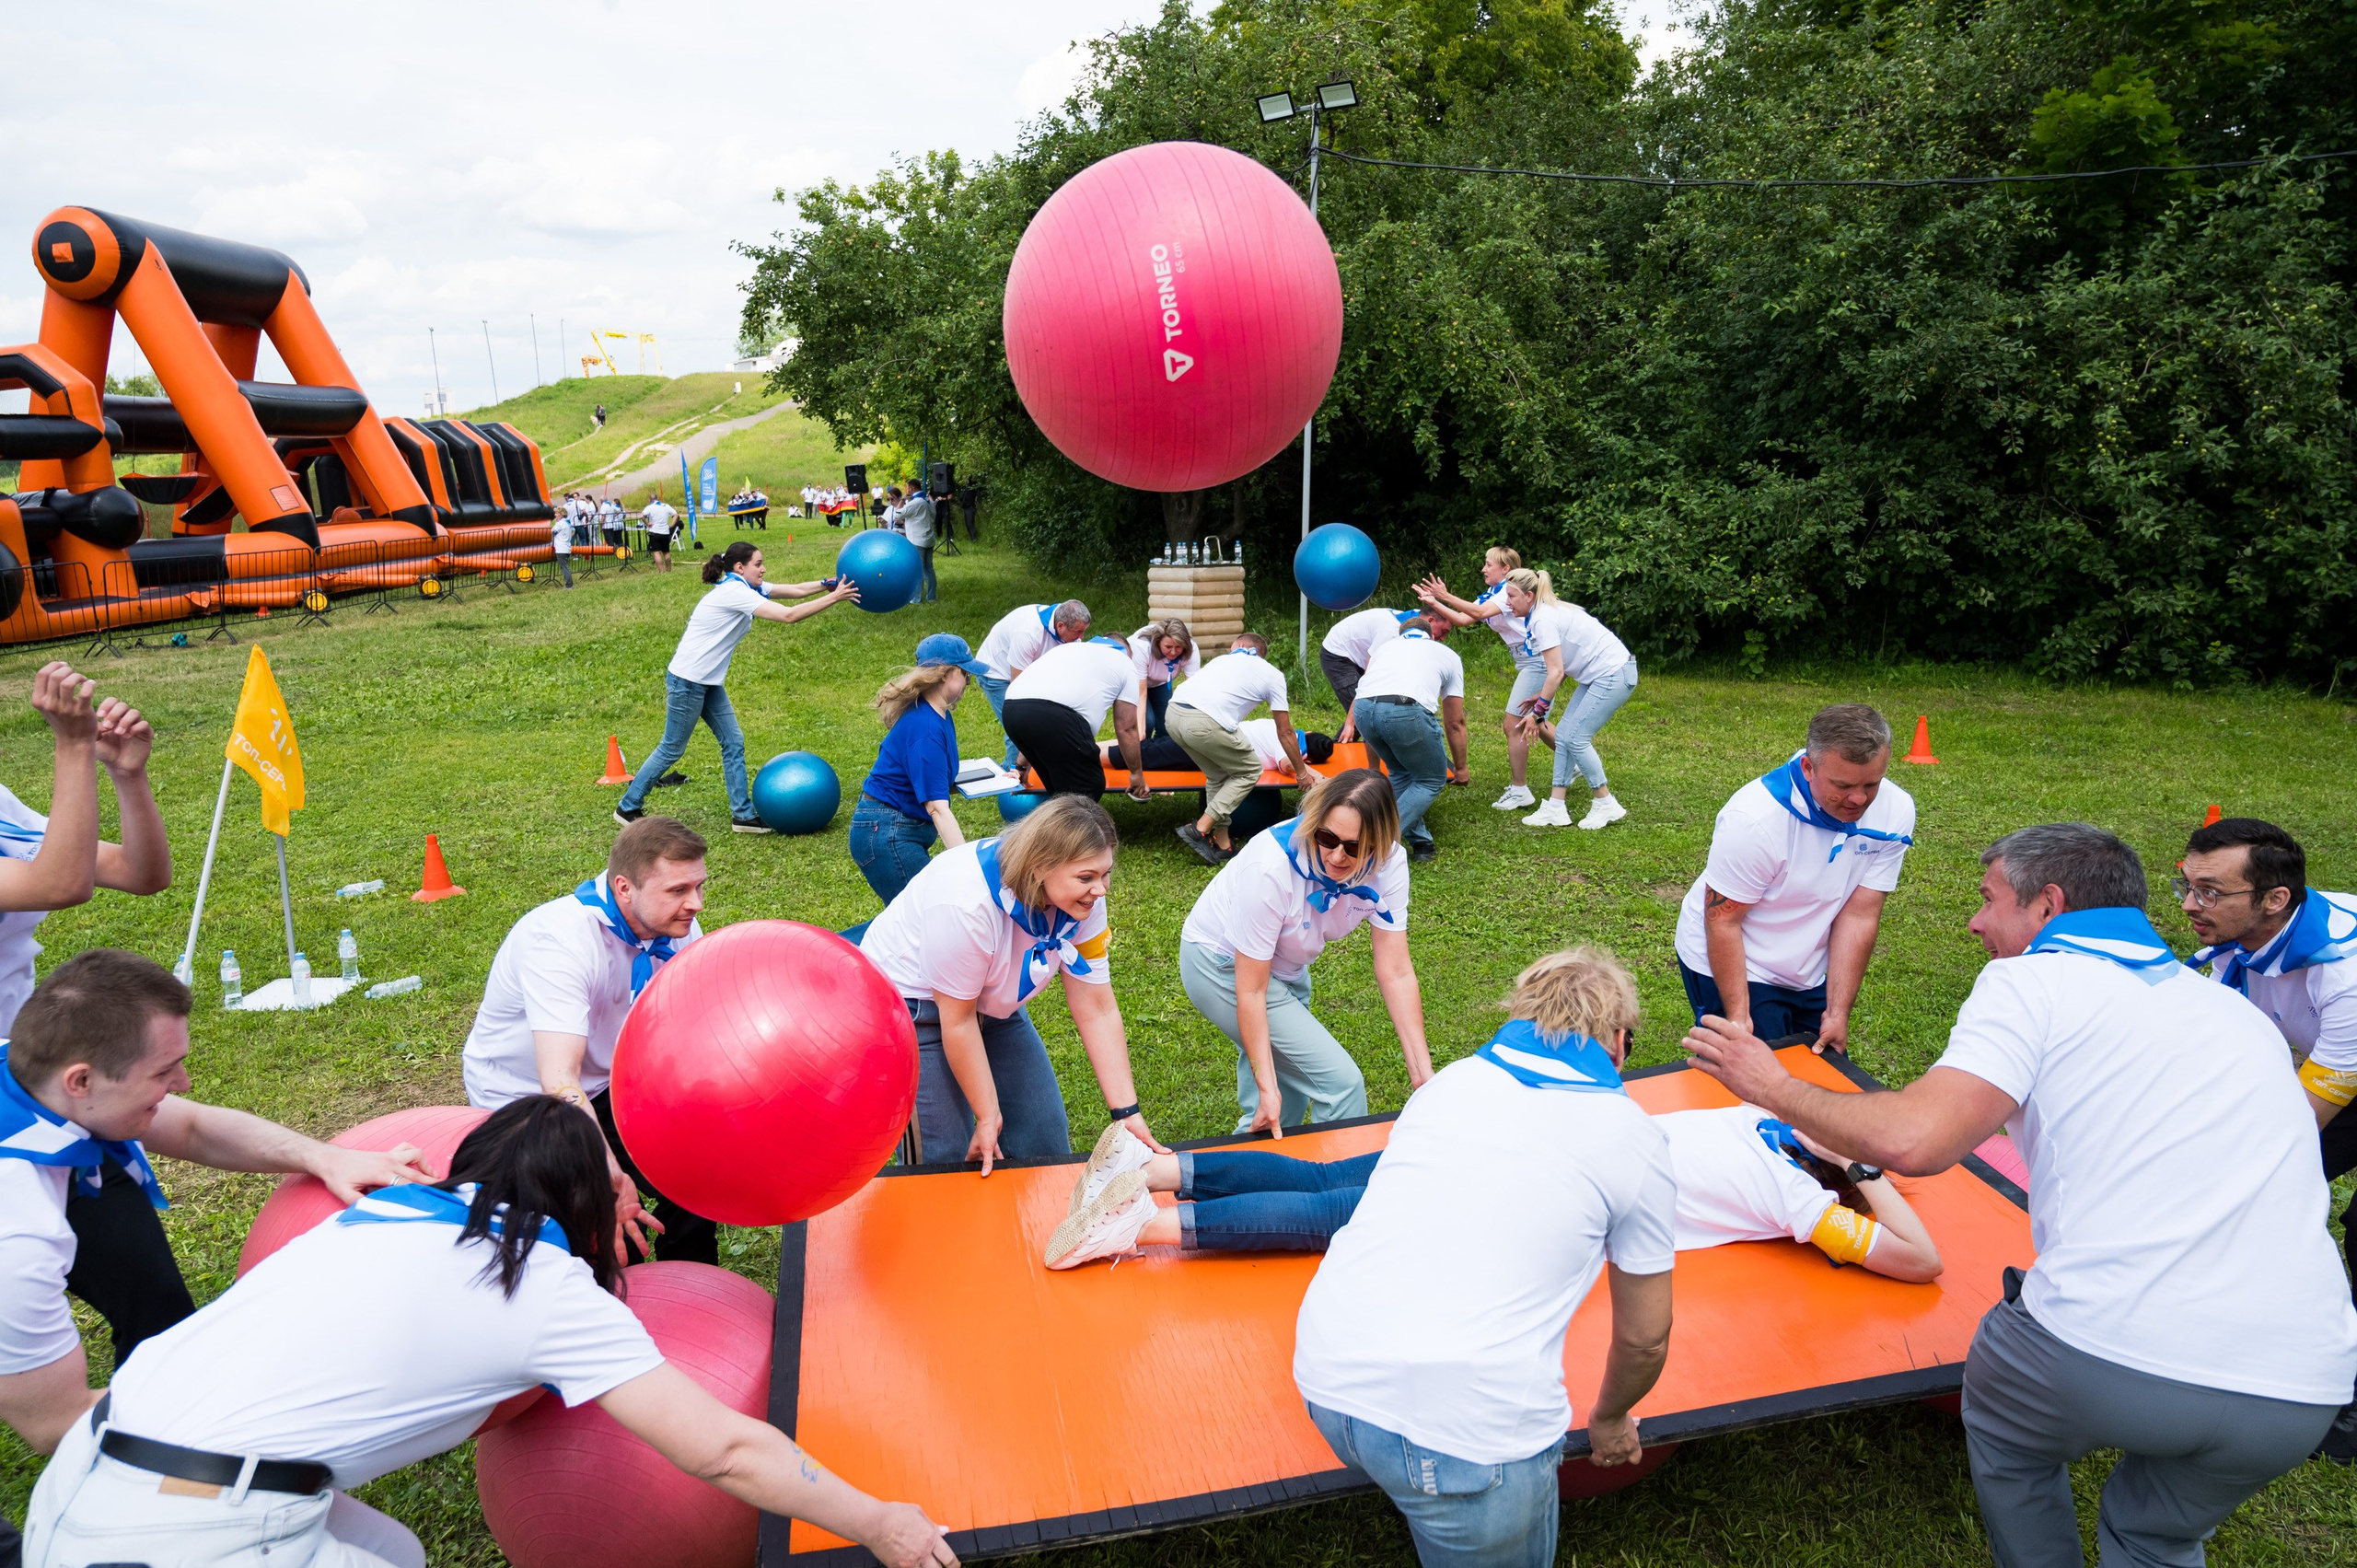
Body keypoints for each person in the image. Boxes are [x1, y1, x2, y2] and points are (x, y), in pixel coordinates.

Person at [1686, 822, 2357, 1568]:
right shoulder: (2241, 1017)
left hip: (2106, 1350)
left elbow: (1917, 1140)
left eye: (1988, 899)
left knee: (2006, 1420)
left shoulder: (2031, 980)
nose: (1974, 921)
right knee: (2155, 1535)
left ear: (2048, 904)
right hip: (2307, 1381)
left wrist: (1776, 1087)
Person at [22, 1096, 959, 1568]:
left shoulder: (379, 1213)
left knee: (397, 1551)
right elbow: (720, 1446)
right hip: (182, 1531)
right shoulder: (545, 1290)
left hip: (88, 1479)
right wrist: (881, 1521)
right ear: (592, 1196)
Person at [0, 952, 427, 1539]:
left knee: (158, 1316)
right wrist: (254, 1410)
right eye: (162, 1072)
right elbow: (54, 1421)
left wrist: (322, 1156)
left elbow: (193, 1125)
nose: (182, 1084)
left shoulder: (32, 1074)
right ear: (81, 1081)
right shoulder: (17, 1235)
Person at [1295, 947, 1674, 1568]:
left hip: (1327, 1381)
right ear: (1621, 1042)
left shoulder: (1450, 1082)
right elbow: (1645, 1340)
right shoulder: (1633, 1136)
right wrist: (1608, 1418)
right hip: (1464, 1434)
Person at [2177, 817, 2357, 1458]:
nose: (2193, 906)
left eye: (2210, 892)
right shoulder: (2237, 938)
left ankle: (2346, 1390)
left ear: (2274, 898)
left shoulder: (2345, 975)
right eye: (2188, 886)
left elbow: (2294, 1126)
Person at [858, 796, 1167, 1171]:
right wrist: (987, 1115)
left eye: (1105, 874)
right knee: (942, 1160)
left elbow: (1097, 1008)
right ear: (1039, 868)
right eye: (1086, 877)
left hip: (989, 1003)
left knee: (1043, 1141)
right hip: (913, 1010)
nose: (1101, 890)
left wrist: (1126, 1113)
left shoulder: (1084, 899)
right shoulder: (966, 904)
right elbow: (957, 1020)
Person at [461, 815, 712, 1262]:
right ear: (624, 888)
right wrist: (607, 1169)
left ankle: (694, 1281)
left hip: (610, 1077)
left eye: (698, 887)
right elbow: (558, 1080)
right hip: (526, 1097)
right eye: (677, 890)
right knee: (601, 1214)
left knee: (697, 1168)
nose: (695, 904)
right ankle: (619, 1292)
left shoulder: (677, 926)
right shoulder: (558, 940)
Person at [1174, 769, 1430, 1137]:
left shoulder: (1390, 862)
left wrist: (1422, 1074)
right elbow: (1252, 990)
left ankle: (1257, 1182)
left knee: (1286, 1102)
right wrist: (1266, 1087)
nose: (1337, 856)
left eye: (1356, 847)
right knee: (1339, 1086)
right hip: (1221, 963)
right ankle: (1338, 1190)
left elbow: (1396, 970)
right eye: (1327, 837)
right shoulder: (1271, 867)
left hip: (1284, 966)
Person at [1672, 703, 1913, 1052]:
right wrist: (1740, 1018)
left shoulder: (1896, 810)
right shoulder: (1755, 820)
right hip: (1738, 952)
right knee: (1753, 1076)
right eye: (1843, 785)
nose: (1859, 799)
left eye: (1872, 784)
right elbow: (1722, 920)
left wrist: (1837, 1012)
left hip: (1805, 965)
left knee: (1815, 1077)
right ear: (1808, 767)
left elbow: (1859, 915)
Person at [612, 541, 859, 834]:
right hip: (688, 681)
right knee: (672, 747)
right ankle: (628, 807)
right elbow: (789, 615)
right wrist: (836, 598)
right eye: (759, 563)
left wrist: (826, 585)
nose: (764, 568)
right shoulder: (735, 592)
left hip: (708, 682)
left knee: (733, 742)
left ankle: (742, 816)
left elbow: (792, 590)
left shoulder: (743, 586)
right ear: (740, 567)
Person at [2, 663, 171, 1034]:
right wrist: (74, 744)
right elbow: (59, 885)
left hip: (17, 1051)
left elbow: (141, 874)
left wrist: (128, 775)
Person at [849, 635, 983, 910]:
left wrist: (992, 780)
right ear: (946, 674)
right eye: (966, 674)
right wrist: (967, 865)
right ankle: (834, 952)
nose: (969, 682)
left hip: (893, 827)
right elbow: (937, 809)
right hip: (887, 833)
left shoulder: (939, 713)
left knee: (915, 920)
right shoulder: (926, 729)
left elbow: (932, 777)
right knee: (924, 917)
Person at [1416, 548, 1550, 809]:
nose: (1483, 569)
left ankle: (1520, 789)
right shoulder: (1493, 594)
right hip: (1527, 660)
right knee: (1535, 719)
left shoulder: (1505, 591)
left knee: (1514, 724)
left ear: (1506, 570)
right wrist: (1434, 603)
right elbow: (1464, 620)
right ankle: (1574, 757)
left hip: (1537, 660)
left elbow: (1476, 615)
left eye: (1489, 565)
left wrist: (1445, 595)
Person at [1167, 633, 1310, 865]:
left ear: (1240, 646)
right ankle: (1200, 828)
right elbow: (1284, 731)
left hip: (1173, 715)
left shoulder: (1221, 661)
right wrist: (1302, 772)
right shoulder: (1273, 675)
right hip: (1203, 722)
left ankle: (1223, 845)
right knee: (1250, 770)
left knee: (1217, 774)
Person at [1515, 588, 1636, 831]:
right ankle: (1555, 807)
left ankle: (1605, 801)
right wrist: (1542, 698)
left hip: (1613, 674)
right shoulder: (1545, 612)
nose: (1507, 603)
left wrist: (1538, 713)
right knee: (1563, 735)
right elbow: (1563, 665)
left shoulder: (1542, 620)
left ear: (1528, 595)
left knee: (1576, 737)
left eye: (1510, 596)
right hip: (1599, 675)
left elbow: (1556, 672)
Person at [1349, 618, 1469, 864]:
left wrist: (1373, 767)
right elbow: (1455, 722)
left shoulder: (1384, 648)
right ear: (1431, 636)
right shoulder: (1447, 655)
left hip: (1361, 710)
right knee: (1430, 779)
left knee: (1401, 773)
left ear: (1401, 635)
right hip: (1404, 710)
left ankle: (1421, 843)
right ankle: (1373, 843)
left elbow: (1369, 690)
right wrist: (1461, 767)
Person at [1002, 635, 1152, 805]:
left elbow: (1037, 708)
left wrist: (1021, 767)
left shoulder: (1067, 649)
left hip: (1012, 709)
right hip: (1057, 718)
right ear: (1126, 652)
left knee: (1061, 790)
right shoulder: (1125, 662)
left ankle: (1055, 827)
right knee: (1088, 786)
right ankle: (1069, 830)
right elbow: (1127, 728)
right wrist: (1137, 775)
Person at [976, 599, 1090, 768]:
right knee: (1018, 725)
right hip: (997, 673)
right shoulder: (1028, 632)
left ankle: (1035, 771)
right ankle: (1013, 779)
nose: (1082, 638)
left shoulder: (1069, 631)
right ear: (1060, 626)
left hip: (1029, 668)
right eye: (1079, 632)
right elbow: (1018, 692)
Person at [1318, 607, 1441, 746]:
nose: (1442, 638)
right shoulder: (1391, 633)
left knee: (1386, 707)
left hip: (1363, 652)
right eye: (1443, 632)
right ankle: (1335, 752)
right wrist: (1350, 722)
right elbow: (1369, 681)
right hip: (1338, 654)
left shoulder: (1415, 623)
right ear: (1431, 620)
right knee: (1365, 713)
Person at [1125, 618, 1198, 740]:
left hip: (1160, 682)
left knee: (1168, 724)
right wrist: (1140, 732)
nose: (1173, 652)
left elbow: (1193, 689)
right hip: (1134, 683)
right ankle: (1141, 753)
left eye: (1178, 647)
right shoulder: (1141, 647)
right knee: (1147, 723)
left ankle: (1159, 756)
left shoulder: (1192, 649)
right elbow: (1141, 693)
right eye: (1168, 647)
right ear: (1158, 642)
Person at [900, 485, 939, 604]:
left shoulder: (916, 502)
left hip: (917, 540)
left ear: (911, 488)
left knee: (918, 570)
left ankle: (916, 598)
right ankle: (931, 597)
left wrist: (902, 499)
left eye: (907, 488)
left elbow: (898, 515)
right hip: (929, 539)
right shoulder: (929, 501)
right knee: (929, 569)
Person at [641, 492, 679, 572]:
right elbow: (676, 515)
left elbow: (642, 516)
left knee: (656, 552)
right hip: (665, 532)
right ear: (657, 498)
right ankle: (669, 570)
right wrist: (671, 525)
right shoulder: (666, 506)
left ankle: (662, 571)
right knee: (666, 552)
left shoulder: (650, 507)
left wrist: (647, 523)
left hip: (654, 532)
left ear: (649, 500)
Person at [549, 497, 575, 588]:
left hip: (561, 547)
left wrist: (554, 524)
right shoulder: (568, 523)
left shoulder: (560, 523)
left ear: (561, 514)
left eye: (557, 513)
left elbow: (552, 531)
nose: (555, 515)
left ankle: (569, 585)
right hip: (566, 546)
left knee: (564, 567)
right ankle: (569, 583)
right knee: (565, 566)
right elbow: (573, 531)